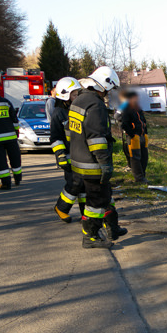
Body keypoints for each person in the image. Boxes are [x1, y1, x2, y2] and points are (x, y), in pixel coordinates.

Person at [69, 66, 127, 249]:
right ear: (103, 85)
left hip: (79, 160)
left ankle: (113, 228)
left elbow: (71, 133)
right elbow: (97, 139)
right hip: (92, 164)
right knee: (96, 202)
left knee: (105, 196)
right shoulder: (96, 105)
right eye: (109, 89)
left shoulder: (78, 100)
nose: (109, 94)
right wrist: (105, 164)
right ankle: (90, 236)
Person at [50, 77, 84, 222]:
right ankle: (61, 207)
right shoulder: (58, 113)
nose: (77, 97)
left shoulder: (77, 109)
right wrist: (60, 155)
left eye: (77, 93)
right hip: (68, 155)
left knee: (84, 186)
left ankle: (85, 213)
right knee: (74, 184)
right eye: (74, 94)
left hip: (81, 154)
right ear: (65, 95)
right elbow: (55, 137)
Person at [120, 90, 149, 184]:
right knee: (135, 158)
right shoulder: (126, 109)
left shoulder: (138, 108)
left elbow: (143, 121)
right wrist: (132, 135)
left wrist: (145, 132)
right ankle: (139, 178)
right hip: (133, 138)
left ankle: (143, 175)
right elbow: (124, 124)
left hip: (142, 136)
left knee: (144, 157)